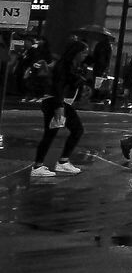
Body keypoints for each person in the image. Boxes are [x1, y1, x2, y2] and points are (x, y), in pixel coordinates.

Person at [29, 48, 85, 177]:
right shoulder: (63, 66)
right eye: (83, 52)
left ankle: (48, 164)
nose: (85, 55)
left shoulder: (71, 65)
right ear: (75, 53)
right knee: (74, 130)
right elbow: (58, 87)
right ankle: (45, 165)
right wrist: (59, 106)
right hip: (57, 103)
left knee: (52, 133)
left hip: (59, 103)